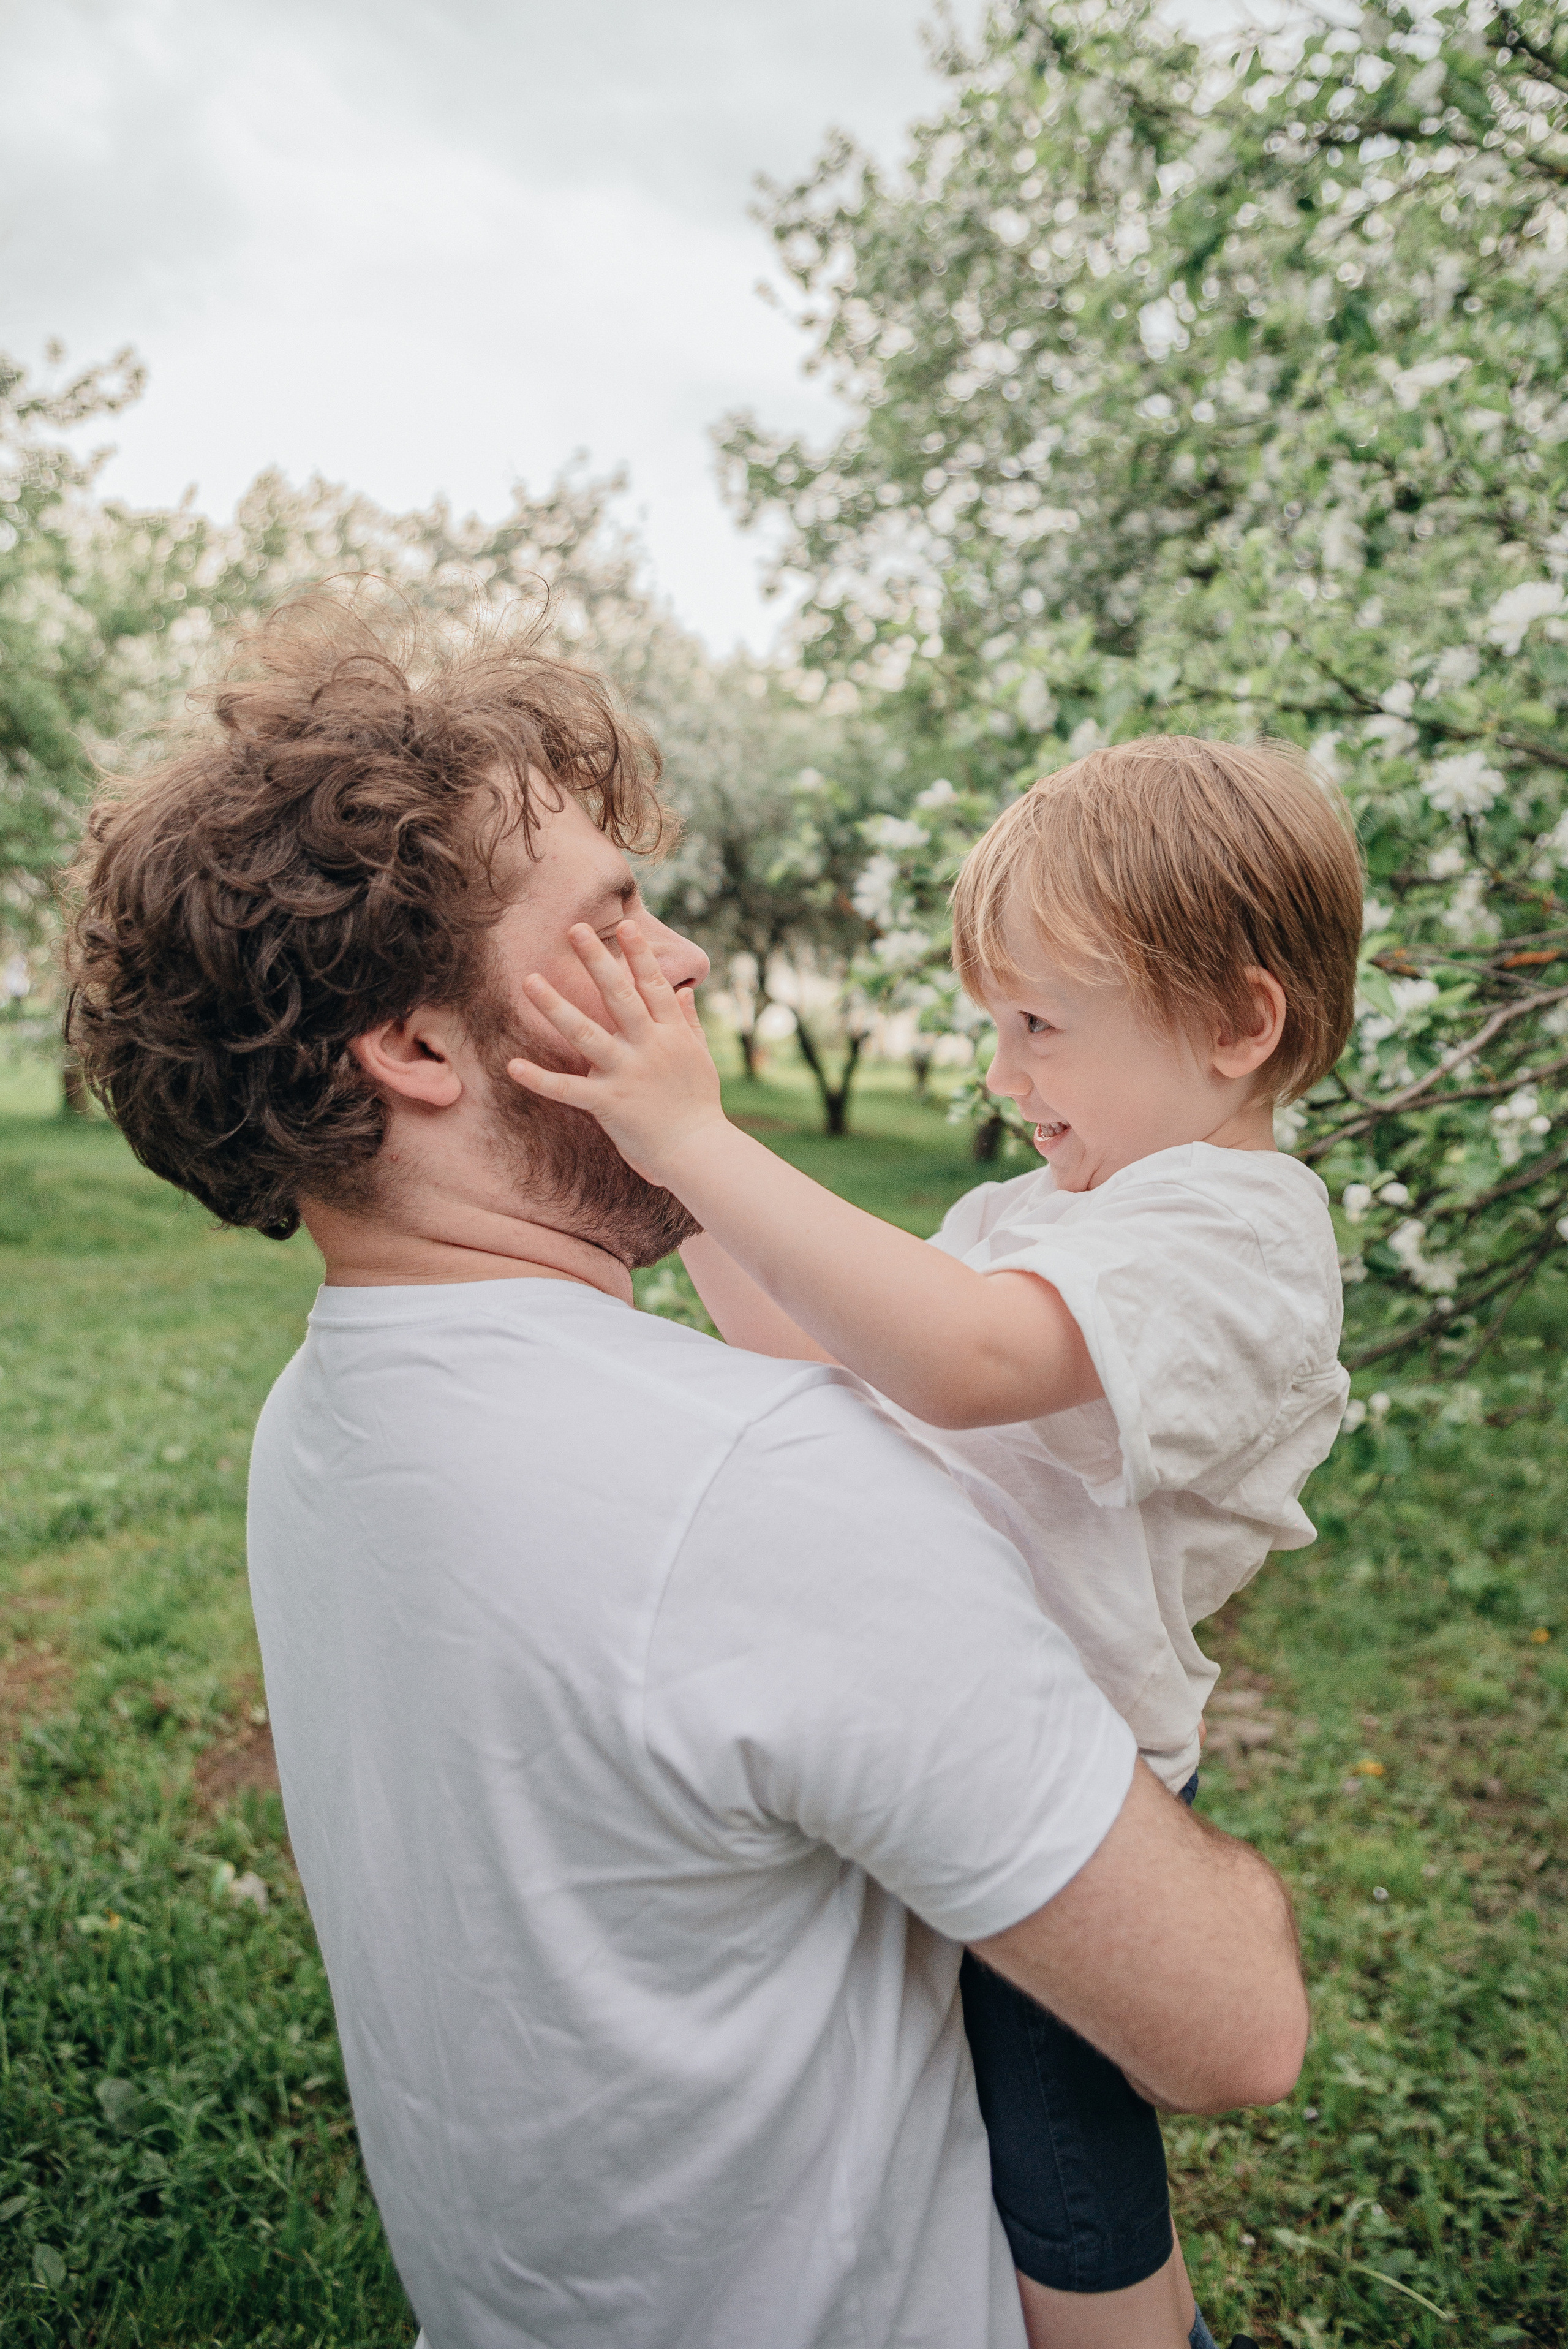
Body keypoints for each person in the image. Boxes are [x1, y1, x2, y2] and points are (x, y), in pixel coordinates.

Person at [65, 597, 1307, 2349]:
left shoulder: (325, 1418)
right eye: (615, 917)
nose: (690, 963)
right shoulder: (755, 1488)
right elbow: (1235, 2024)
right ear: (419, 1049)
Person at [505, 735, 1362, 2349]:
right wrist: (672, 1183)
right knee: (971, 2146)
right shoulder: (1056, 1216)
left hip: (1073, 1769)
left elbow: (960, 1363)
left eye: (1040, 1023)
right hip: (953, 1715)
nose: (999, 1068)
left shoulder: (1239, 1231)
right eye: (994, 1022)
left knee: (1067, 2198)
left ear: (1243, 1023)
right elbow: (829, 1343)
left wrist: (702, 1141)